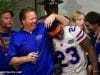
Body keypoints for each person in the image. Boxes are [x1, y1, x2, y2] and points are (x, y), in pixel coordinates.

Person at [7, 7, 68, 75]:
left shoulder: (43, 27)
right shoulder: (16, 37)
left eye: (35, 18)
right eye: (31, 19)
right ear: (23, 21)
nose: (35, 21)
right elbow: (10, 61)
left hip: (50, 72)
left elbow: (66, 23)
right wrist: (26, 58)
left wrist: (54, 15)